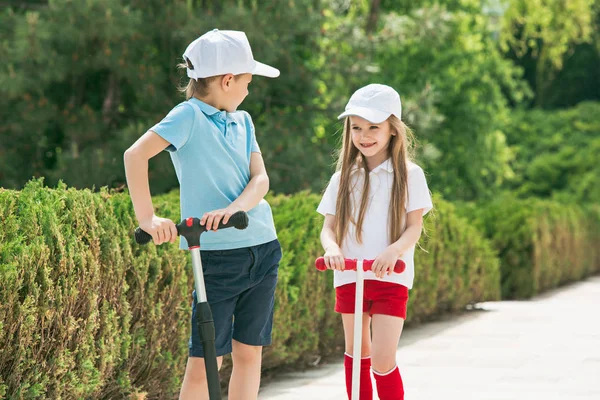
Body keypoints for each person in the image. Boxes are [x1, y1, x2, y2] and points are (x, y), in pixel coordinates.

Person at [124, 29, 282, 400]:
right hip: (216, 256)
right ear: (228, 80)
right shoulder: (187, 116)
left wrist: (234, 208)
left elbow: (260, 180)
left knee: (249, 352)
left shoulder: (243, 121)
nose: (248, 89)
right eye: (247, 81)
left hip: (263, 245)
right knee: (206, 360)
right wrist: (148, 218)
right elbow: (135, 155)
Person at [317, 84, 433, 400]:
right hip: (350, 276)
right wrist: (332, 249)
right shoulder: (342, 178)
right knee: (356, 355)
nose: (364, 135)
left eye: (373, 127)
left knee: (382, 361)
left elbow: (414, 228)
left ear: (392, 129)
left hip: (390, 277)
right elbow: (328, 228)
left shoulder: (410, 175)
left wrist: (393, 250)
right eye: (356, 127)